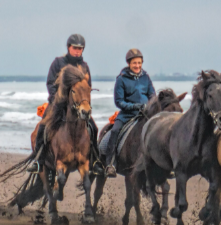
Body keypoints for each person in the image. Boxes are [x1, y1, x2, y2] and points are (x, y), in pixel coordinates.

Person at [26, 34, 99, 173]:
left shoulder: (84, 66)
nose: (77, 51)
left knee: (93, 128)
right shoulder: (58, 63)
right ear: (68, 47)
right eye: (75, 48)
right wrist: (59, 99)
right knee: (43, 127)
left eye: (80, 48)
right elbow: (50, 84)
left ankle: (95, 161)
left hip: (77, 107)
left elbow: (87, 87)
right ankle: (38, 160)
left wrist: (83, 102)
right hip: (57, 104)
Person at [104, 48, 155, 178]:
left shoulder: (146, 78)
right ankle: (111, 163)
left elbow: (152, 95)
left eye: (139, 63)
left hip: (145, 114)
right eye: (134, 63)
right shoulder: (121, 79)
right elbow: (119, 101)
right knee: (115, 131)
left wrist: (150, 106)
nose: (137, 66)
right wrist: (135, 106)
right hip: (127, 115)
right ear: (129, 64)